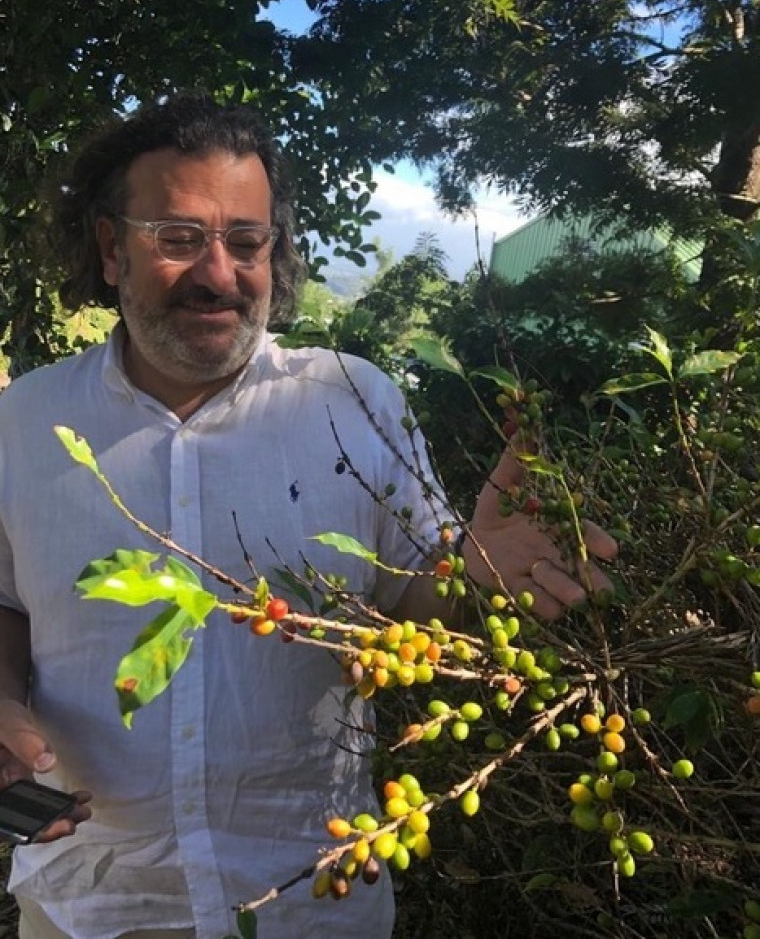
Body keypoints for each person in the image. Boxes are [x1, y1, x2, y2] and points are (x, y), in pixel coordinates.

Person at [0, 94, 616, 939]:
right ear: (111, 247)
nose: (219, 275)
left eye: (246, 243)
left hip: (311, 898)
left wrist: (471, 581)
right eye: (178, 240)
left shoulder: (352, 401)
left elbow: (409, 609)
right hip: (89, 899)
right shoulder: (24, 422)